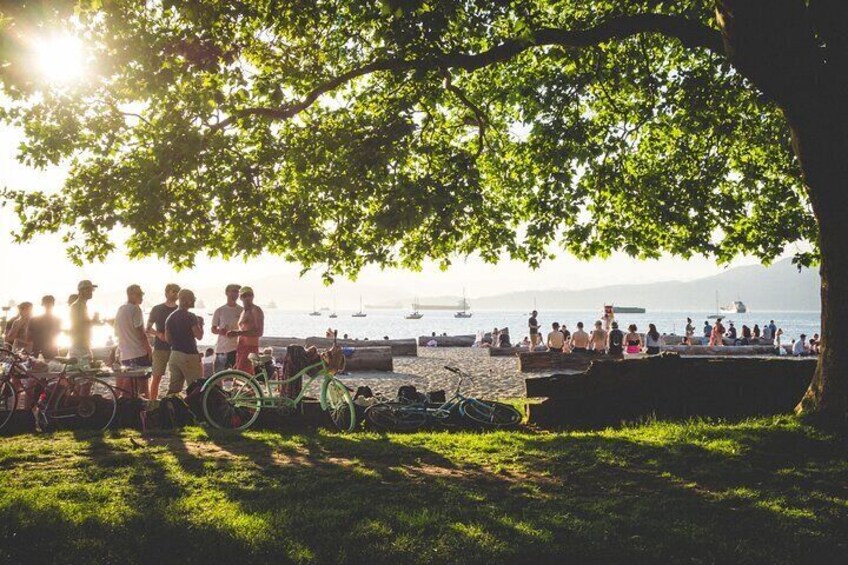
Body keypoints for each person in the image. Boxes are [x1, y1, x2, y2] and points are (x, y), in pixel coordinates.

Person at [115, 285, 152, 398]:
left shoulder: (121, 309)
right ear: (131, 295)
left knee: (131, 383)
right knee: (141, 385)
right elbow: (140, 332)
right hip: (138, 352)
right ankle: (143, 409)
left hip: (125, 354)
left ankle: (135, 408)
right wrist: (149, 349)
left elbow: (116, 331)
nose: (141, 297)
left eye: (142, 294)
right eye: (139, 294)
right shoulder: (135, 309)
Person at [164, 288, 204, 394]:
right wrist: (201, 324)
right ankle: (195, 409)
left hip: (175, 355)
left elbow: (168, 339)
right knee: (196, 387)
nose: (194, 301)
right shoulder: (191, 316)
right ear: (186, 300)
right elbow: (199, 336)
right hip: (189, 354)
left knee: (174, 389)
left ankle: (169, 407)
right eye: (193, 299)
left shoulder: (170, 317)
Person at [146, 283, 180, 401]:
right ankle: (153, 402)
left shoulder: (179, 310)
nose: (176, 293)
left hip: (177, 348)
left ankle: (172, 402)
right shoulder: (157, 309)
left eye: (177, 291)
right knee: (157, 376)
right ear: (166, 293)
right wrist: (159, 334)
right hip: (160, 348)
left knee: (176, 378)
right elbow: (148, 328)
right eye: (173, 291)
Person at [230, 287, 264, 375]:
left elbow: (259, 332)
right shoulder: (243, 312)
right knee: (239, 375)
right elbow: (244, 329)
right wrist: (235, 332)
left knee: (244, 376)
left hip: (250, 347)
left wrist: (238, 333)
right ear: (240, 297)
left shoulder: (255, 310)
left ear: (253, 296)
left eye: (250, 295)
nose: (247, 298)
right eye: (244, 295)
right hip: (241, 347)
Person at [211, 284, 243, 372]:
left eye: (236, 292)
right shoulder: (219, 310)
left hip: (236, 349)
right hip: (221, 349)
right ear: (226, 293)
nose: (235, 294)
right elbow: (213, 329)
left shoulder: (242, 310)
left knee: (235, 377)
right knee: (218, 377)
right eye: (232, 291)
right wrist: (221, 331)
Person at [69, 280, 97, 361]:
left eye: (92, 290)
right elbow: (80, 325)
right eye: (89, 289)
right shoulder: (78, 305)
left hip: (82, 345)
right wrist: (94, 321)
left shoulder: (82, 305)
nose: (91, 292)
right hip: (80, 346)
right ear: (81, 291)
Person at [29, 296, 61, 360]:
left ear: (42, 304)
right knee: (52, 368)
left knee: (33, 368)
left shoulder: (34, 319)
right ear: (53, 304)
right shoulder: (57, 320)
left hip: (36, 350)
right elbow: (57, 334)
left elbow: (29, 337)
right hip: (51, 350)